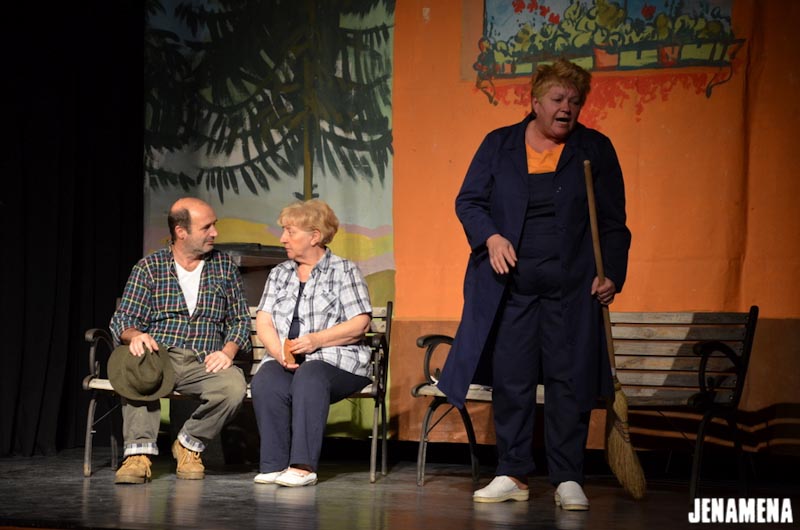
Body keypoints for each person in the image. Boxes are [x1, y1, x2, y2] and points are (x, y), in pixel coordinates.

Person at [437, 58, 631, 508]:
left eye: (575, 101)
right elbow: (469, 201)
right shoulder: (500, 144)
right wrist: (491, 236)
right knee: (512, 380)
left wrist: (612, 275)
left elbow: (613, 223)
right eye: (558, 99)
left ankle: (568, 477)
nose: (567, 108)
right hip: (512, 289)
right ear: (536, 101)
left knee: (569, 381)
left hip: (572, 290)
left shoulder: (594, 149)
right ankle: (512, 472)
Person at [109, 197, 250, 484]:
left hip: (204, 361)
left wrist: (228, 351)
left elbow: (240, 320)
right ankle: (138, 455)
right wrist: (135, 335)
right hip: (161, 358)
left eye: (214, 225)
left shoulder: (224, 267)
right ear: (181, 231)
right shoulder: (150, 267)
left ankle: (188, 445)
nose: (214, 233)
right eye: (206, 227)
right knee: (136, 369)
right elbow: (124, 319)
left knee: (233, 387)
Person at [250, 199, 372, 487]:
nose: (283, 238)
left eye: (290, 232)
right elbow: (264, 320)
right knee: (266, 379)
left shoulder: (344, 271)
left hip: (337, 361)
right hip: (290, 359)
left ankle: (303, 466)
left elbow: (360, 324)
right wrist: (279, 353)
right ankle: (273, 464)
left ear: (314, 236)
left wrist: (316, 340)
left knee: (311, 373)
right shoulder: (280, 274)